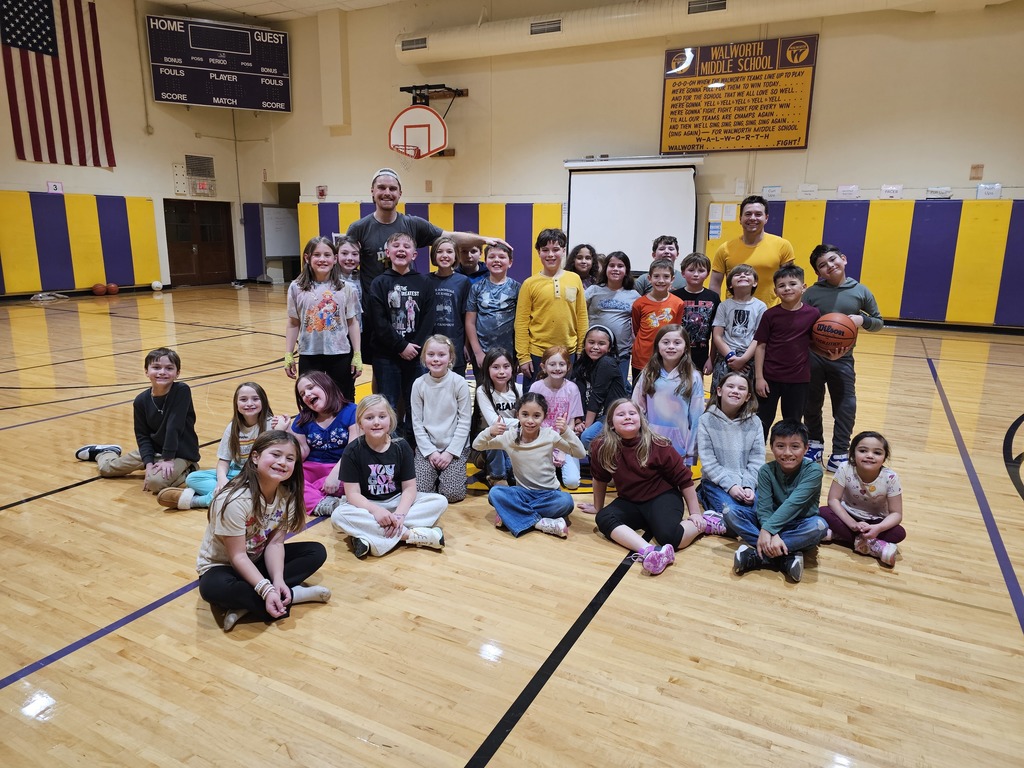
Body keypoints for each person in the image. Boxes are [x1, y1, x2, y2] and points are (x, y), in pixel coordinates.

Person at [196, 430, 331, 632]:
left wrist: (277, 580)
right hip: (223, 566)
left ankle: (251, 604)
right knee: (212, 589)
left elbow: (275, 543)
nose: (282, 462)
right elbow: (237, 556)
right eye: (275, 454)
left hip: (257, 559)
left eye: (290, 458)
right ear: (255, 457)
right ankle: (293, 595)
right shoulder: (235, 500)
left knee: (316, 552)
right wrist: (266, 589)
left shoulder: (287, 495)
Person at [577, 399, 713, 575]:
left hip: (662, 497)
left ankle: (707, 523)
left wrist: (695, 513)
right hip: (630, 501)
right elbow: (599, 478)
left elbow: (685, 480)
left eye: (632, 413)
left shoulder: (658, 444)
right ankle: (650, 551)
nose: (627, 417)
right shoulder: (601, 447)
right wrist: (597, 506)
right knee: (603, 518)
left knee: (669, 537)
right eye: (621, 414)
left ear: (641, 420)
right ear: (611, 423)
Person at [330, 394, 447, 558]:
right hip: (367, 506)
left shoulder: (401, 446)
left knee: (439, 501)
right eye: (369, 418)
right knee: (338, 516)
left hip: (397, 501)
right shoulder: (352, 450)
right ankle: (410, 535)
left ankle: (368, 537)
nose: (376, 422)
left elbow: (409, 488)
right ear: (360, 423)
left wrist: (399, 515)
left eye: (382, 416)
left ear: (390, 420)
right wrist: (376, 511)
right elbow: (353, 494)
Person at [802, 244, 885, 472]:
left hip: (843, 358)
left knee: (845, 405)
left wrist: (861, 320)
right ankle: (814, 443)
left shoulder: (861, 291)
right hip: (814, 356)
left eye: (832, 260)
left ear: (843, 259)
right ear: (818, 272)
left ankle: (840, 451)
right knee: (811, 401)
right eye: (822, 265)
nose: (829, 266)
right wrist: (813, 346)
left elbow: (878, 322)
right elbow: (801, 324)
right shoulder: (812, 293)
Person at [76, 347, 200, 495]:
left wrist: (167, 459)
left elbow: (174, 426)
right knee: (106, 469)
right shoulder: (141, 401)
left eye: (169, 368)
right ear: (146, 371)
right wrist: (148, 463)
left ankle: (190, 468)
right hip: (154, 451)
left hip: (180, 453)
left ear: (177, 373)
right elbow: (142, 435)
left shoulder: (182, 391)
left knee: (155, 483)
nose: (162, 372)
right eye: (156, 367)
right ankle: (106, 452)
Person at [472, 392, 586, 538]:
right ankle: (540, 523)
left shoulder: (550, 435)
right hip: (522, 493)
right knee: (495, 493)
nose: (530, 421)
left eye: (536, 416)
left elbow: (580, 453)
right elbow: (477, 445)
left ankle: (511, 514)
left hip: (549, 494)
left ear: (544, 417)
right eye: (525, 414)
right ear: (517, 415)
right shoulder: (509, 437)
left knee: (566, 502)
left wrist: (567, 432)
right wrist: (490, 431)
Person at [726, 420, 827, 583]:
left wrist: (767, 531)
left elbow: (793, 504)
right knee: (730, 512)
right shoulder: (766, 471)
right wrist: (771, 531)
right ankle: (785, 556)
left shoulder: (813, 470)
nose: (787, 453)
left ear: (806, 448)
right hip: (769, 522)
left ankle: (759, 555)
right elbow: (764, 508)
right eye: (780, 446)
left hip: (799, 524)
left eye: (795, 446)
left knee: (819, 526)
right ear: (771, 447)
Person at [158, 381, 284, 511]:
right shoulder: (233, 427)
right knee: (192, 478)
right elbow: (224, 461)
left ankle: (198, 501)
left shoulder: (272, 425)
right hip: (236, 473)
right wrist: (222, 479)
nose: (249, 403)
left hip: (258, 477)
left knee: (254, 489)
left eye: (255, 399)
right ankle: (231, 494)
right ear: (236, 404)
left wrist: (284, 428)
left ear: (263, 401)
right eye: (243, 399)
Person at [367, 231, 436, 440]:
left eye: (406, 247)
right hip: (386, 355)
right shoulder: (379, 282)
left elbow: (428, 319)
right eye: (396, 246)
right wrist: (400, 346)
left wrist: (414, 347)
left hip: (415, 354)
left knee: (415, 401)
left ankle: (415, 443)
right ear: (387, 252)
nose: (401, 250)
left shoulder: (424, 282)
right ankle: (392, 443)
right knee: (388, 402)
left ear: (414, 255)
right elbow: (378, 321)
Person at [284, 236, 362, 402]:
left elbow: (352, 322)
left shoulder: (347, 288)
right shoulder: (296, 287)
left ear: (335, 259)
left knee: (343, 398)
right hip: (309, 353)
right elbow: (293, 323)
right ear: (307, 258)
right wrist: (288, 353)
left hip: (340, 353)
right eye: (317, 255)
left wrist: (357, 354)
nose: (322, 259)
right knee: (310, 399)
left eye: (327, 255)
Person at [514, 228, 589, 389]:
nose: (550, 254)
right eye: (545, 250)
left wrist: (581, 349)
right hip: (537, 353)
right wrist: (523, 357)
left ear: (563, 251)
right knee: (535, 399)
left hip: (568, 352)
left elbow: (582, 316)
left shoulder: (574, 279)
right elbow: (521, 323)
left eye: (555, 249)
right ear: (538, 252)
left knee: (566, 397)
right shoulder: (529, 284)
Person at [753, 264, 820, 439]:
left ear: (803, 287)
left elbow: (815, 343)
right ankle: (756, 453)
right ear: (775, 291)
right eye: (782, 286)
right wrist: (759, 378)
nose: (787, 288)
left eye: (792, 284)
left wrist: (831, 354)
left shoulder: (813, 314)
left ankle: (789, 453)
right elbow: (760, 346)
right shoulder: (770, 315)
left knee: (793, 423)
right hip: (769, 378)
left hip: (798, 380)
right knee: (761, 421)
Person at [819, 431, 905, 567]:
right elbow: (833, 500)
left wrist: (878, 528)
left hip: (875, 521)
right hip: (848, 515)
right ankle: (873, 545)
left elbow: (896, 514)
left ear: (884, 458)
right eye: (863, 451)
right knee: (823, 511)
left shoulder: (890, 477)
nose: (869, 455)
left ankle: (839, 535)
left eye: (877, 452)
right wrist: (852, 524)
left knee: (899, 533)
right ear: (853, 454)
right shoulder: (845, 468)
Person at [696, 371, 764, 530]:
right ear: (719, 391)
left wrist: (749, 486)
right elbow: (708, 462)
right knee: (732, 511)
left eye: (741, 388)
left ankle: (727, 521)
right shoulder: (706, 420)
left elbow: (757, 460)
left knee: (761, 512)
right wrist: (731, 486)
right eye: (731, 386)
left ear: (747, 396)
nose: (735, 391)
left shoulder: (755, 422)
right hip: (717, 482)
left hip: (746, 482)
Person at [411, 335, 472, 503]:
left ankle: (447, 476)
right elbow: (417, 422)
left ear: (450, 357)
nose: (436, 359)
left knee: (452, 494)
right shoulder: (419, 384)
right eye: (431, 354)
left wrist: (450, 453)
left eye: (441, 355)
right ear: (424, 357)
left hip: (454, 447)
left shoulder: (459, 383)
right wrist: (430, 452)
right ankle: (434, 476)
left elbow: (465, 422)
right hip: (428, 447)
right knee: (420, 492)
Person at [287, 371, 358, 516]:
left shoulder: (352, 411)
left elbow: (354, 450)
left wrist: (334, 475)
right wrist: (286, 430)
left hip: (342, 467)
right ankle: (326, 504)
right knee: (287, 477)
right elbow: (301, 454)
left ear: (327, 385)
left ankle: (310, 496)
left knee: (356, 480)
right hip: (312, 468)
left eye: (310, 387)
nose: (307, 394)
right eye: (302, 394)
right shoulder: (302, 419)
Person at [631, 325, 704, 466]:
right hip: (650, 444)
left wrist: (691, 453)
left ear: (686, 347)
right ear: (657, 346)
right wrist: (639, 439)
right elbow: (637, 408)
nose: (671, 346)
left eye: (677, 343)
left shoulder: (693, 377)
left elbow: (697, 418)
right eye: (665, 342)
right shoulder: (648, 374)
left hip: (680, 448)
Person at [709, 195, 795, 307]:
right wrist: (718, 310)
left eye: (758, 214)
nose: (753, 218)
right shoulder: (725, 249)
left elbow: (789, 282)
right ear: (740, 218)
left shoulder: (783, 246)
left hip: (770, 312)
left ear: (766, 218)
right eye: (748, 214)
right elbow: (715, 285)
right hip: (734, 313)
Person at [529, 346, 584, 490]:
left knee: (572, 483)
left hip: (565, 442)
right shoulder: (536, 387)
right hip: (542, 442)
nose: (557, 368)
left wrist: (562, 451)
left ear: (568, 366)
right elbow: (531, 421)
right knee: (540, 482)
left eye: (561, 364)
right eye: (552, 364)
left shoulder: (572, 389)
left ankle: (560, 467)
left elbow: (571, 423)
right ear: (544, 367)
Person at [585, 250, 641, 386]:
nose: (615, 269)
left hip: (621, 354)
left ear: (626, 270)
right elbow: (579, 314)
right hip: (594, 352)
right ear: (605, 269)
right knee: (594, 387)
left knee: (617, 389)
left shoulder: (634, 295)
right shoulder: (593, 290)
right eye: (612, 265)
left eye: (620, 266)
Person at [465, 242, 520, 380]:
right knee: (483, 389)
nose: (496, 260)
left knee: (507, 389)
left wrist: (520, 355)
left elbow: (522, 323)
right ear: (486, 261)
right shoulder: (476, 288)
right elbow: (470, 322)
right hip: (483, 352)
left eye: (501, 257)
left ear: (510, 262)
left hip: (509, 354)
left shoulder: (517, 288)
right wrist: (477, 352)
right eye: (492, 257)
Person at [710, 264, 767, 391]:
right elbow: (717, 336)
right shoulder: (724, 306)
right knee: (720, 392)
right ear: (730, 284)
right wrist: (730, 356)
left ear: (755, 283)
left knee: (744, 394)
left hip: (748, 359)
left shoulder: (760, 306)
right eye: (737, 274)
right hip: (726, 357)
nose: (742, 276)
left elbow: (759, 337)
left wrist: (743, 359)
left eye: (747, 274)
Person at [571, 324, 628, 450]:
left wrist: (586, 426)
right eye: (591, 342)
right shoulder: (583, 364)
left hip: (611, 415)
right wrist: (579, 421)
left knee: (587, 437)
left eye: (601, 344)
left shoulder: (607, 363)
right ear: (584, 344)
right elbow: (579, 396)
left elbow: (597, 396)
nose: (595, 347)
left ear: (609, 348)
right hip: (592, 415)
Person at [473, 347, 523, 486]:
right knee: (496, 433)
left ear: (512, 368)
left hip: (511, 439)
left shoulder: (518, 389)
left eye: (506, 366)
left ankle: (506, 470)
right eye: (496, 367)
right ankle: (497, 476)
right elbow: (494, 422)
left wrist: (523, 423)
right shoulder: (483, 391)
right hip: (487, 443)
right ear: (487, 369)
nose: (501, 371)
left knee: (513, 476)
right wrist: (521, 423)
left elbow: (523, 417)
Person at [630, 258, 684, 382]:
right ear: (649, 278)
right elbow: (637, 328)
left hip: (667, 357)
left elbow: (676, 330)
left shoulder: (678, 303)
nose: (661, 280)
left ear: (672, 279)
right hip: (642, 356)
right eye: (656, 276)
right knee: (640, 390)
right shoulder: (639, 303)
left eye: (666, 276)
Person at [427, 236, 472, 377]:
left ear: (456, 256)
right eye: (440, 251)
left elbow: (467, 317)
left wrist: (467, 345)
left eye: (449, 251)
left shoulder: (463, 281)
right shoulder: (425, 280)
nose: (444, 255)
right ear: (434, 255)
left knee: (455, 385)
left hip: (456, 345)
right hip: (431, 346)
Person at [671, 252, 720, 376]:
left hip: (701, 353)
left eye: (701, 270)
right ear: (683, 273)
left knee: (696, 384)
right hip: (676, 351)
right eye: (691, 270)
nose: (696, 274)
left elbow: (716, 332)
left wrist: (711, 358)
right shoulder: (674, 297)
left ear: (707, 274)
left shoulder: (713, 298)